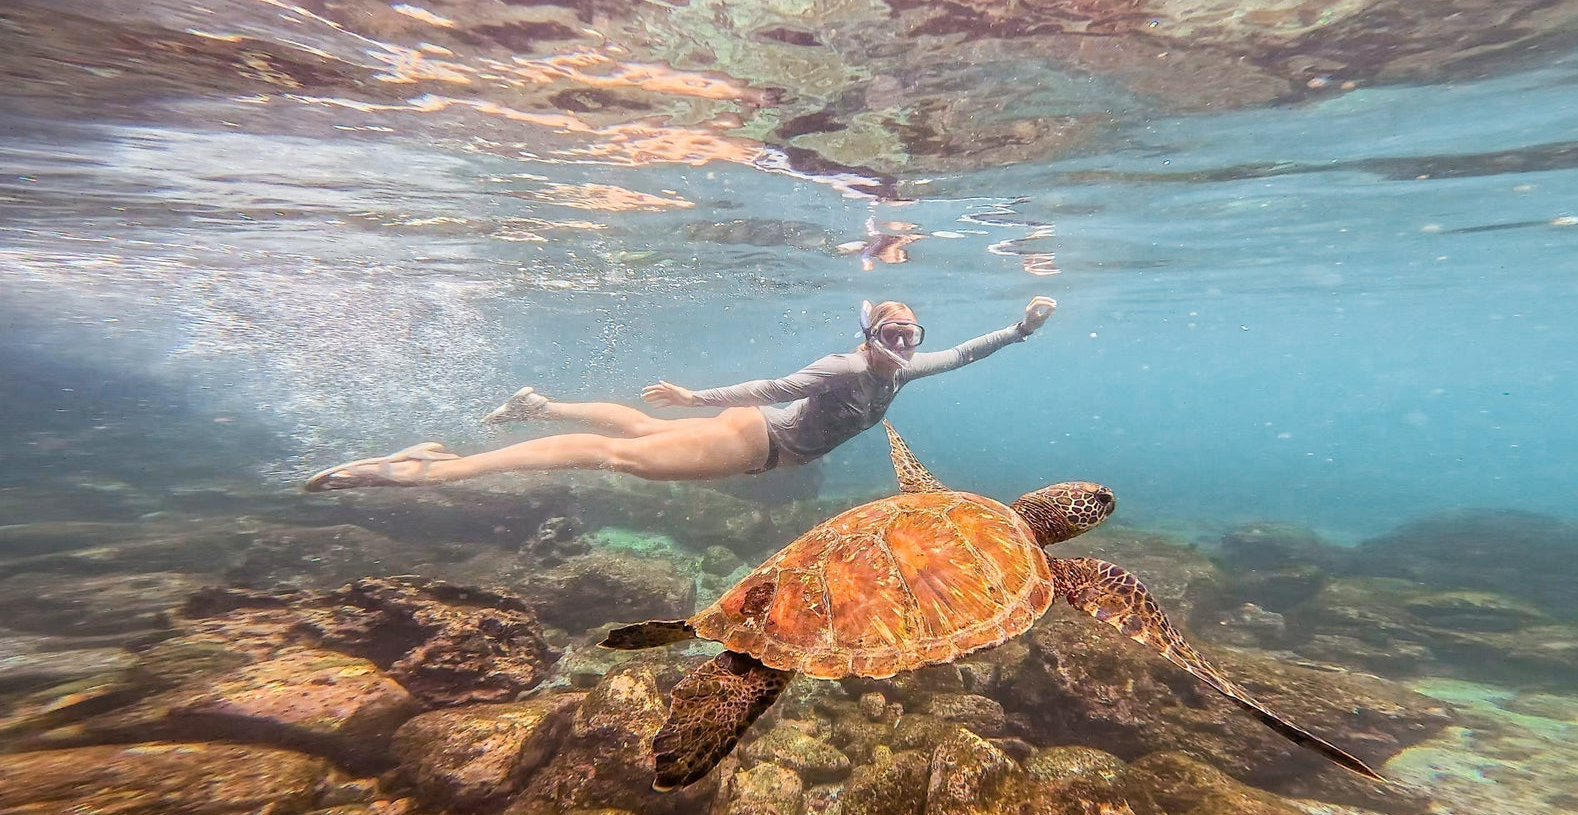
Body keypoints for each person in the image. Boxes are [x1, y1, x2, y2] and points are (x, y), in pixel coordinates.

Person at [304, 296, 1057, 491]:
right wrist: (696, 398)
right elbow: (775, 384)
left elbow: (963, 354)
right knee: (615, 458)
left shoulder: (913, 367)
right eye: (889, 336)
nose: (902, 347)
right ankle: (427, 469)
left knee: (629, 430)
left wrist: (1020, 332)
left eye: (911, 335)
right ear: (867, 336)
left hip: (754, 431)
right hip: (753, 439)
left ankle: (538, 405)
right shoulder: (843, 366)